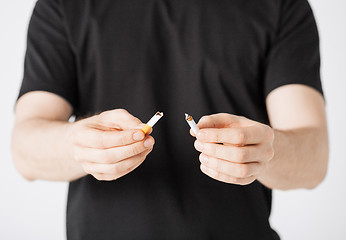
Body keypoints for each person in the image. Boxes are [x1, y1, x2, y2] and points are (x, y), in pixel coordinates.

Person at [11, 0, 329, 239]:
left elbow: (313, 160)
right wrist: (78, 145)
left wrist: (265, 151)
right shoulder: (64, 5)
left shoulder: (282, 5)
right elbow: (24, 150)